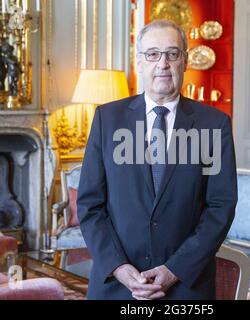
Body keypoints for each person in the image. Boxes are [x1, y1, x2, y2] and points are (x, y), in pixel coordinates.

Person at [77, 19, 237, 300]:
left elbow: (220, 207)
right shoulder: (107, 119)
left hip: (186, 285)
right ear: (139, 61)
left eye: (172, 54)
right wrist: (118, 267)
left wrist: (176, 269)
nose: (162, 63)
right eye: (152, 54)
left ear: (184, 62)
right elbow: (90, 204)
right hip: (116, 284)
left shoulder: (215, 124)